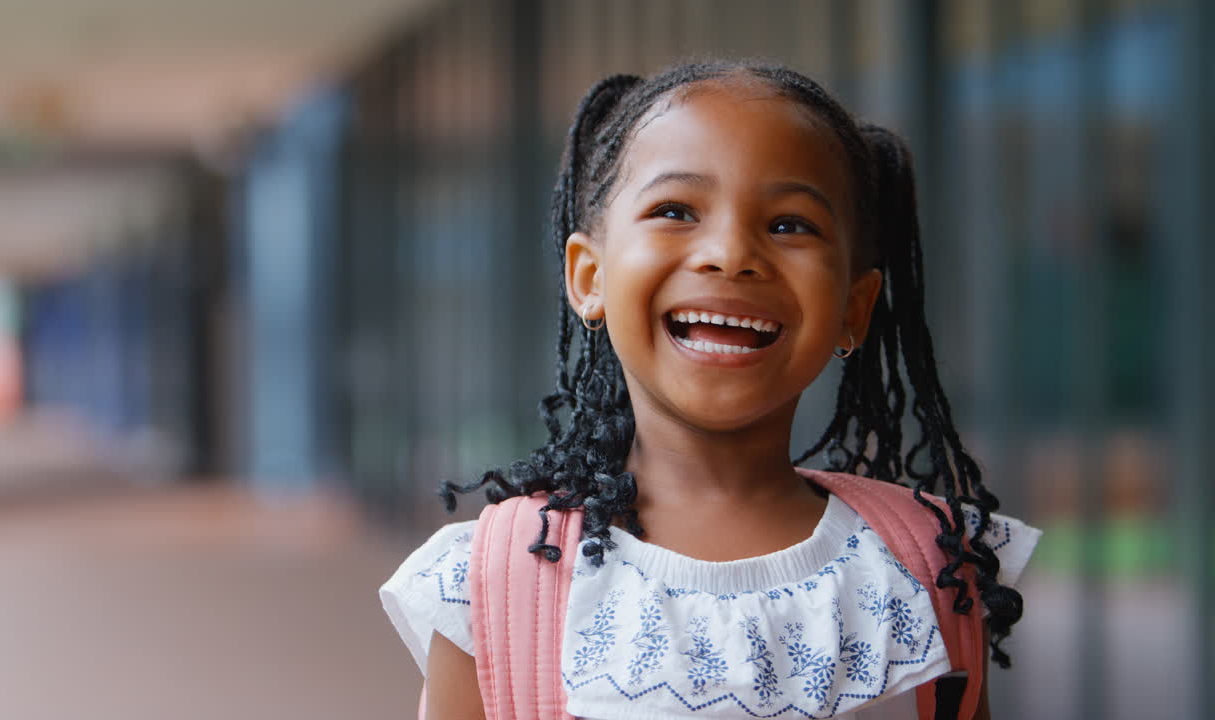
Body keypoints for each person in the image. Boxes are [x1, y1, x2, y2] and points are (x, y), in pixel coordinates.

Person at [380, 59, 1042, 720]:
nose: (729, 252)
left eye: (790, 224)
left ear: (854, 308)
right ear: (589, 277)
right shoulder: (498, 581)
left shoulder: (932, 568)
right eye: (675, 210)